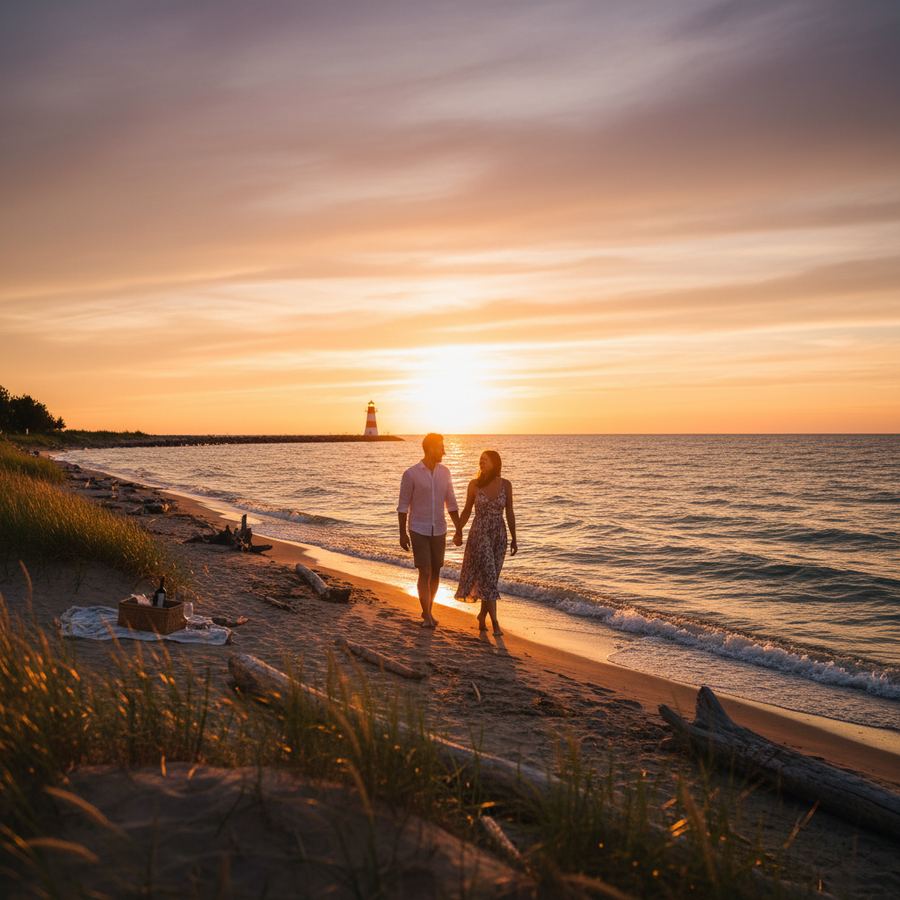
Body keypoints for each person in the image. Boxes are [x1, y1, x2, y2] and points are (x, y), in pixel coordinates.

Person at [397, 433, 461, 628]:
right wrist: (402, 533)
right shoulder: (411, 474)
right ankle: (426, 615)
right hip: (418, 528)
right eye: (441, 447)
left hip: (439, 529)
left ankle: (429, 609)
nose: (444, 451)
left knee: (435, 572)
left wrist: (458, 529)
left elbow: (451, 502)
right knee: (424, 571)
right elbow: (402, 506)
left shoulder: (445, 472)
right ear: (431, 448)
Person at [454, 450, 517, 635]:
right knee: (489, 575)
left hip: (499, 534)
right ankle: (495, 623)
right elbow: (466, 510)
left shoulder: (506, 485)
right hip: (479, 533)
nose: (481, 462)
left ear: (495, 463)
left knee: (490, 579)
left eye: (485, 460)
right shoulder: (474, 485)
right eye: (480, 460)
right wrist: (458, 530)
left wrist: (514, 538)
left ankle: (482, 616)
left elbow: (510, 512)